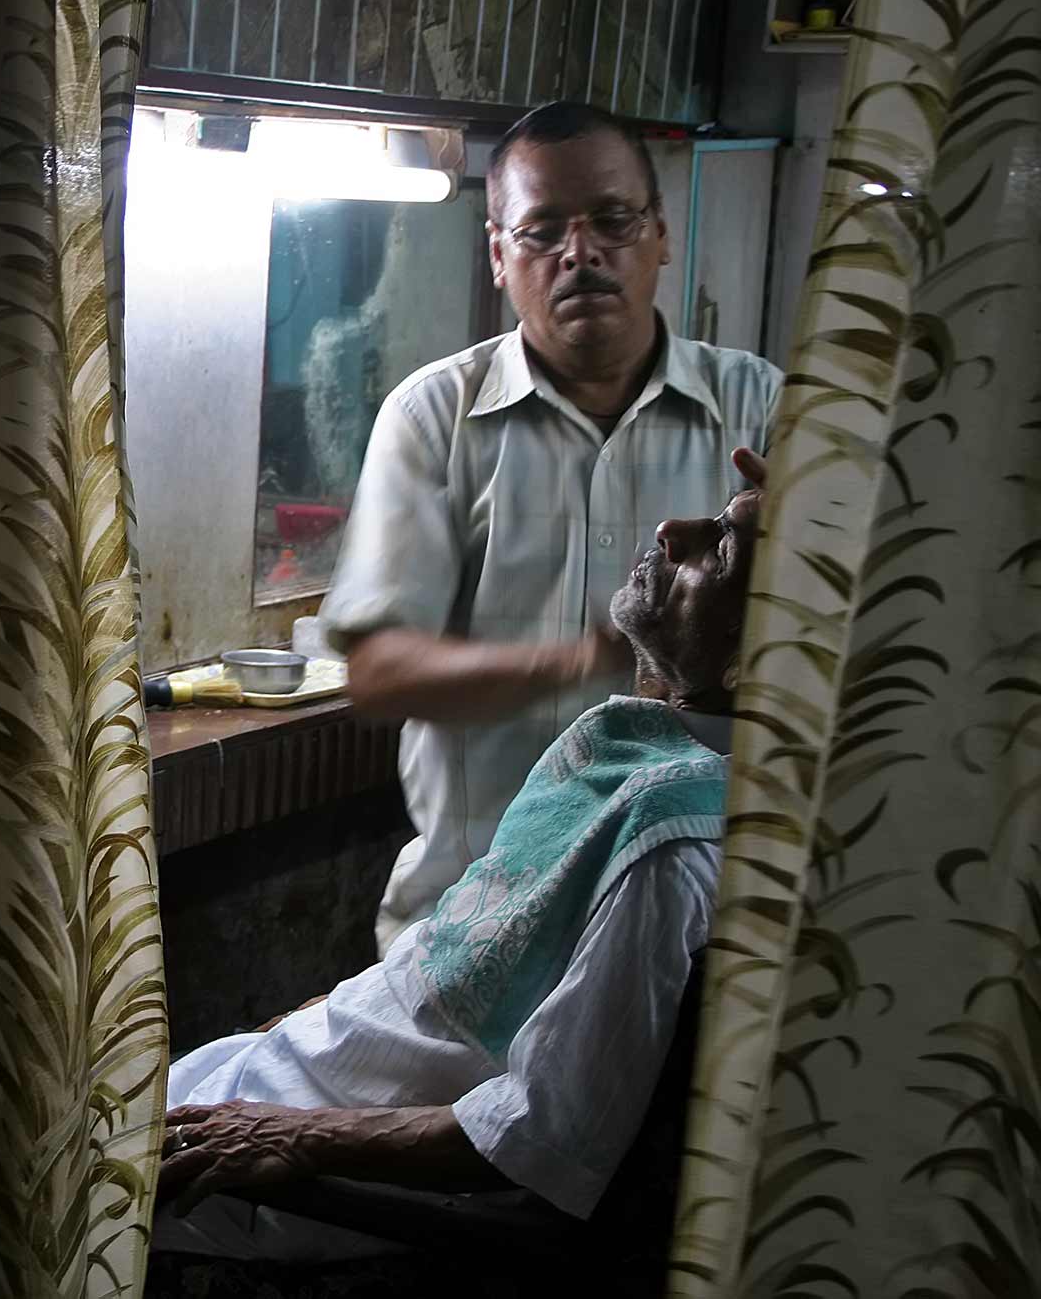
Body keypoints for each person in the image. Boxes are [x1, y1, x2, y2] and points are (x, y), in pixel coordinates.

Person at [154, 483, 763, 1262]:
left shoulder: (669, 845)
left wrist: (291, 1133)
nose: (672, 530)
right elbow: (474, 954)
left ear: (755, 660)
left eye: (722, 547)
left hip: (317, 1176)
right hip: (301, 1073)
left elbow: (541, 1128)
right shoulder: (634, 743)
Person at [318, 102, 782, 951]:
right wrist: (599, 654)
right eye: (541, 231)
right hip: (473, 924)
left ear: (660, 235)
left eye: (612, 220)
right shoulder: (435, 416)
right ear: (499, 254)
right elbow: (380, 671)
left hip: (691, 925)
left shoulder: (761, 407)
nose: (582, 252)